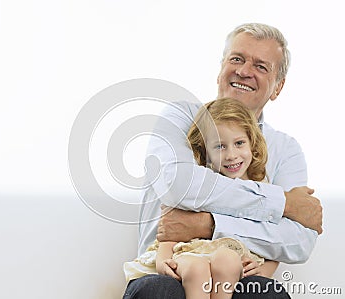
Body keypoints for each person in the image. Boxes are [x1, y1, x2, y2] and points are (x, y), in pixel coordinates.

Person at [122, 23, 323, 299]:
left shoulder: (285, 149)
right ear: (220, 69)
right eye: (236, 59)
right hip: (167, 270)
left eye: (261, 66)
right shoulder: (181, 118)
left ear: (278, 87)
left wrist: (209, 225)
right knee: (158, 292)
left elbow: (299, 240)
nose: (243, 71)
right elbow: (179, 185)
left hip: (240, 276)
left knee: (265, 294)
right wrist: (283, 204)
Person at [125, 98, 280, 299]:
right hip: (189, 255)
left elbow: (276, 244)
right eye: (220, 147)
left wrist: (264, 269)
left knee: (228, 260)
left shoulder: (262, 192)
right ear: (205, 151)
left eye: (239, 143)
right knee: (197, 269)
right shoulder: (199, 190)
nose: (231, 155)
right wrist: (163, 261)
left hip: (230, 262)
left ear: (253, 143)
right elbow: (169, 234)